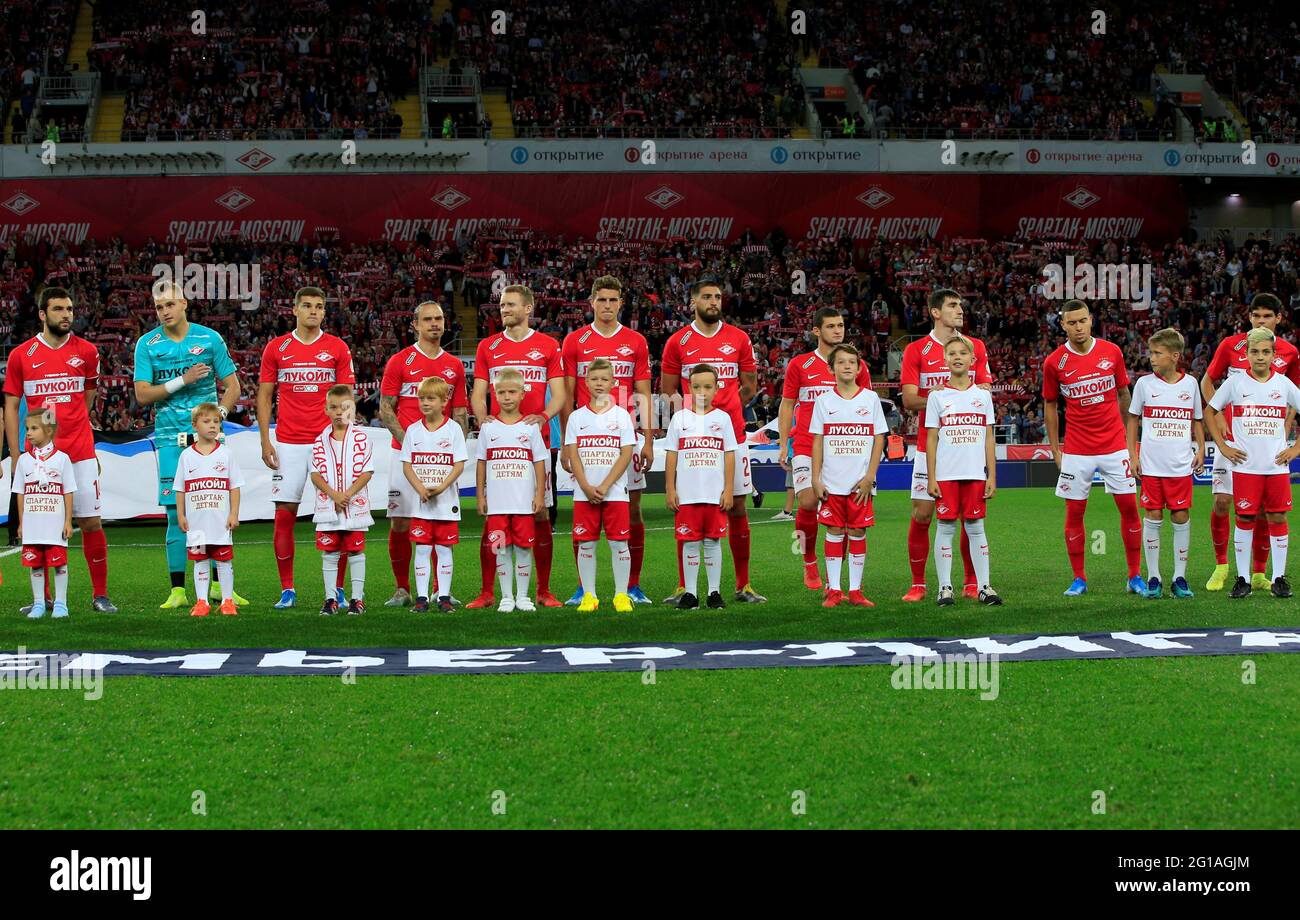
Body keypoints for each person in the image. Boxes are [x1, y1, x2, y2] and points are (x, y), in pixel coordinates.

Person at [4, 287, 117, 613]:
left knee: (91, 521)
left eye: (69, 309)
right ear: (42, 314)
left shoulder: (87, 352)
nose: (66, 314)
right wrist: (16, 456)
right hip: (39, 458)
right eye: (58, 309)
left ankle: (100, 595)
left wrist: (77, 425)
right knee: (43, 529)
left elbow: (89, 397)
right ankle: (45, 600)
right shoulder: (21, 356)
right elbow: (11, 407)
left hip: (79, 452)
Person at [133, 281, 242, 609]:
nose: (164, 311)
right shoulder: (147, 344)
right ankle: (179, 590)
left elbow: (233, 386)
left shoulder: (209, 338)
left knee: (217, 508)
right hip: (170, 439)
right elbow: (142, 395)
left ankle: (222, 588)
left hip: (210, 441)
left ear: (183, 303)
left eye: (169, 304)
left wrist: (219, 416)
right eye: (158, 307)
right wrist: (183, 380)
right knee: (174, 514)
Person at [661, 278, 764, 605]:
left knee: (736, 506)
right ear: (693, 301)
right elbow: (668, 392)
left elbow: (749, 386)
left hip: (732, 435)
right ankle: (684, 586)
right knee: (687, 507)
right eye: (706, 296)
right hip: (693, 441)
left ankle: (743, 584)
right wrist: (693, 420)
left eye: (717, 296)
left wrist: (727, 407)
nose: (713, 301)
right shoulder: (678, 341)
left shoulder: (739, 338)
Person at [257, 286, 354, 609]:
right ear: (295, 310)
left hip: (327, 443)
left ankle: (337, 589)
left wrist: (344, 440)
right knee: (284, 514)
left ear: (325, 312)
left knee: (337, 515)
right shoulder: (277, 347)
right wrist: (265, 439)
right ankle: (287, 589)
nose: (314, 311)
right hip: (288, 444)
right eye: (308, 306)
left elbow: (345, 398)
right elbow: (265, 395)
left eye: (320, 306)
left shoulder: (337, 347)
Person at [559, 276, 653, 606]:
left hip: (624, 435)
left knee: (633, 509)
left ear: (620, 303)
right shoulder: (575, 341)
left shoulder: (636, 341)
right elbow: (567, 395)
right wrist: (563, 445)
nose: (608, 306)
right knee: (582, 506)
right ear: (592, 302)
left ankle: (632, 585)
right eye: (602, 300)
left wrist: (649, 439)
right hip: (586, 438)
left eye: (614, 300)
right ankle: (583, 589)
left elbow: (643, 393)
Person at [470, 285, 564, 609]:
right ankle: (488, 592)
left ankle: (543, 590)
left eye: (510, 304)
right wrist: (484, 422)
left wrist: (544, 417)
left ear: (528, 308)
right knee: (493, 518)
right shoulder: (488, 346)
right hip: (499, 445)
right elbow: (478, 393)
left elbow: (561, 394)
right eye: (501, 305)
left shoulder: (548, 346)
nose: (503, 309)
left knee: (540, 516)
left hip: (535, 446)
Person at [1042, 300, 1145, 596]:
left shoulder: (1112, 352)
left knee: (1129, 508)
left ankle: (1134, 576)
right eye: (1072, 323)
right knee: (1074, 512)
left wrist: (1130, 444)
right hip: (1076, 450)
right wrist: (1054, 449)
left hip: (1114, 446)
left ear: (1091, 321)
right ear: (1062, 325)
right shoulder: (1054, 363)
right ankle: (1079, 578)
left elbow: (1125, 394)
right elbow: (1050, 406)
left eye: (1082, 321)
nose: (1078, 327)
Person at [1200, 293, 1300, 591]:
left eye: (1267, 316)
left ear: (1278, 319)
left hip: (1268, 444)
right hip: (1234, 440)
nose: (1261, 320)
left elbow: (1292, 392)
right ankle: (1221, 566)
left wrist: (1288, 425)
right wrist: (1218, 421)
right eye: (1256, 316)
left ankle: (1258, 572)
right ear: (1249, 317)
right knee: (1222, 502)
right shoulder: (1231, 346)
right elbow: (1207, 382)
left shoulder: (1289, 353)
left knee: (1263, 510)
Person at [899, 289, 993, 602]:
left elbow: (984, 390)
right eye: (952, 305)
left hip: (967, 449)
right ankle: (918, 584)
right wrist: (943, 398)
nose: (960, 310)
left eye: (961, 305)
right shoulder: (917, 349)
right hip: (932, 446)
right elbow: (910, 399)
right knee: (923, 513)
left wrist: (957, 396)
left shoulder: (974, 346)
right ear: (935, 312)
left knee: (972, 516)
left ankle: (970, 581)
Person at [379, 300, 468, 607]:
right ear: (415, 325)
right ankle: (403, 589)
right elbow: (385, 407)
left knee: (440, 520)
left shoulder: (454, 366)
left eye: (439, 319)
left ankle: (440, 590)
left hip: (441, 460)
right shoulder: (400, 361)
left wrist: (455, 445)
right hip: (403, 456)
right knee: (402, 521)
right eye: (428, 319)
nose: (434, 324)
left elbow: (459, 412)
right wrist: (410, 444)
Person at [778, 306, 872, 591]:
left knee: (844, 512)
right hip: (806, 444)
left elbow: (866, 405)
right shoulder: (800, 365)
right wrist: (784, 444)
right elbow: (787, 404)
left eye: (841, 325)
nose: (838, 330)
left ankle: (838, 575)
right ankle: (809, 562)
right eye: (831, 326)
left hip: (845, 448)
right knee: (807, 501)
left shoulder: (856, 364)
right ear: (817, 331)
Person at [1126, 328, 1204, 599]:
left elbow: (1197, 420)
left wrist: (1202, 448)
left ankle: (1179, 577)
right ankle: (1154, 577)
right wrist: (1133, 456)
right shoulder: (1145, 384)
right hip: (1151, 466)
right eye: (1151, 353)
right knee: (1153, 516)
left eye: (1157, 353)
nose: (1152, 358)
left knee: (1180, 516)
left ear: (1174, 356)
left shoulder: (1190, 384)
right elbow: (1133, 420)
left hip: (1180, 466)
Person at [924, 337, 1001, 606]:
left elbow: (989, 436)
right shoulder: (936, 397)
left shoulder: (982, 397)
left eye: (963, 353)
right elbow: (931, 438)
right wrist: (931, 476)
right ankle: (945, 587)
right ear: (944, 360)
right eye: (952, 353)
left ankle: (984, 587)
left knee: (976, 528)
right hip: (945, 475)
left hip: (975, 474)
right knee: (945, 527)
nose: (957, 357)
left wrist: (992, 475)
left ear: (973, 360)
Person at [810, 344, 886, 607]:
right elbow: (817, 441)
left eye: (851, 362)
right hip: (831, 481)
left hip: (860, 483)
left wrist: (870, 477)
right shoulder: (823, 401)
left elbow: (879, 439)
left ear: (858, 367)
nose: (846, 366)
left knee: (856, 531)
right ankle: (834, 590)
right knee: (833, 530)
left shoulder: (870, 399)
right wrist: (815, 478)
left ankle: (855, 591)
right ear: (831, 368)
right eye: (841, 362)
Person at [565, 358, 636, 612]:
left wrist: (605, 485)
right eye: (594, 379)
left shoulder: (622, 416)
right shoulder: (576, 417)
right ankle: (589, 596)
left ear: (614, 383)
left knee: (619, 543)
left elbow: (625, 454)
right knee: (586, 544)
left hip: (615, 491)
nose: (599, 383)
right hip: (584, 493)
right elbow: (573, 455)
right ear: (586, 381)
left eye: (604, 379)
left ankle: (620, 595)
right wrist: (585, 486)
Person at [664, 364, 735, 609]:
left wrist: (728, 489)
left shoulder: (723, 419)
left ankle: (714, 593)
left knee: (713, 541)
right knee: (689, 542)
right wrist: (670, 489)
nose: (701, 391)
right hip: (687, 494)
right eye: (696, 387)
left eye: (707, 386)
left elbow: (729, 455)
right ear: (689, 389)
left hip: (714, 494)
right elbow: (671, 455)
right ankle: (691, 594)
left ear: (717, 389)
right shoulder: (679, 418)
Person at [477, 369, 548, 612]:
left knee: (524, 548)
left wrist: (539, 494)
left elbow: (539, 461)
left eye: (512, 392)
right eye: (501, 392)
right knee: (500, 549)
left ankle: (523, 596)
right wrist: (480, 496)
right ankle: (506, 596)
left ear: (521, 394)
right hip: (497, 503)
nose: (507, 397)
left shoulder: (530, 427)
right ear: (494, 394)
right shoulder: (488, 428)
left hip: (523, 503)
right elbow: (481, 463)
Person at [400, 376, 468, 612]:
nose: (425, 403)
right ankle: (421, 599)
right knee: (421, 549)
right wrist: (420, 488)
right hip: (421, 502)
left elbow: (459, 464)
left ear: (444, 401)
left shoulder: (453, 430)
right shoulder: (412, 430)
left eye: (430, 398)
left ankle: (444, 597)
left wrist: (440, 487)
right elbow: (407, 464)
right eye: (421, 398)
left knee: (443, 549)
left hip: (446, 502)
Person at [175, 403, 244, 617]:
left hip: (220, 521)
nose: (213, 426)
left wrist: (233, 513)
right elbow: (180, 488)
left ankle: (227, 601)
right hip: (196, 522)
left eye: (216, 422)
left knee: (224, 560)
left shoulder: (226, 454)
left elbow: (234, 486)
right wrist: (181, 515)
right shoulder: (186, 456)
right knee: (200, 560)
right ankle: (202, 601)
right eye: (207, 422)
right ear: (195, 425)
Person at [311, 385, 375, 616]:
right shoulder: (320, 440)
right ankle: (331, 599)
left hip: (354, 507)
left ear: (352, 408)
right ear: (326, 409)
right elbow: (315, 474)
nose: (339, 412)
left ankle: (357, 599)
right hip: (329, 507)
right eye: (334, 407)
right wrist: (334, 495)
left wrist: (347, 494)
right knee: (330, 553)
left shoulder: (361, 438)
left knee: (356, 551)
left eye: (344, 407)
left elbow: (367, 471)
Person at [10, 410, 75, 619]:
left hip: (54, 523)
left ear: (48, 431)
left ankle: (61, 603)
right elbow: (19, 493)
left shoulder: (62, 459)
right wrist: (21, 523)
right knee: (35, 562)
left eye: (34, 428)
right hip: (33, 523)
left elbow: (68, 491)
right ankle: (38, 603)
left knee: (59, 563)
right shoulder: (23, 461)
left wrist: (67, 521)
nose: (28, 433)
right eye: (27, 428)